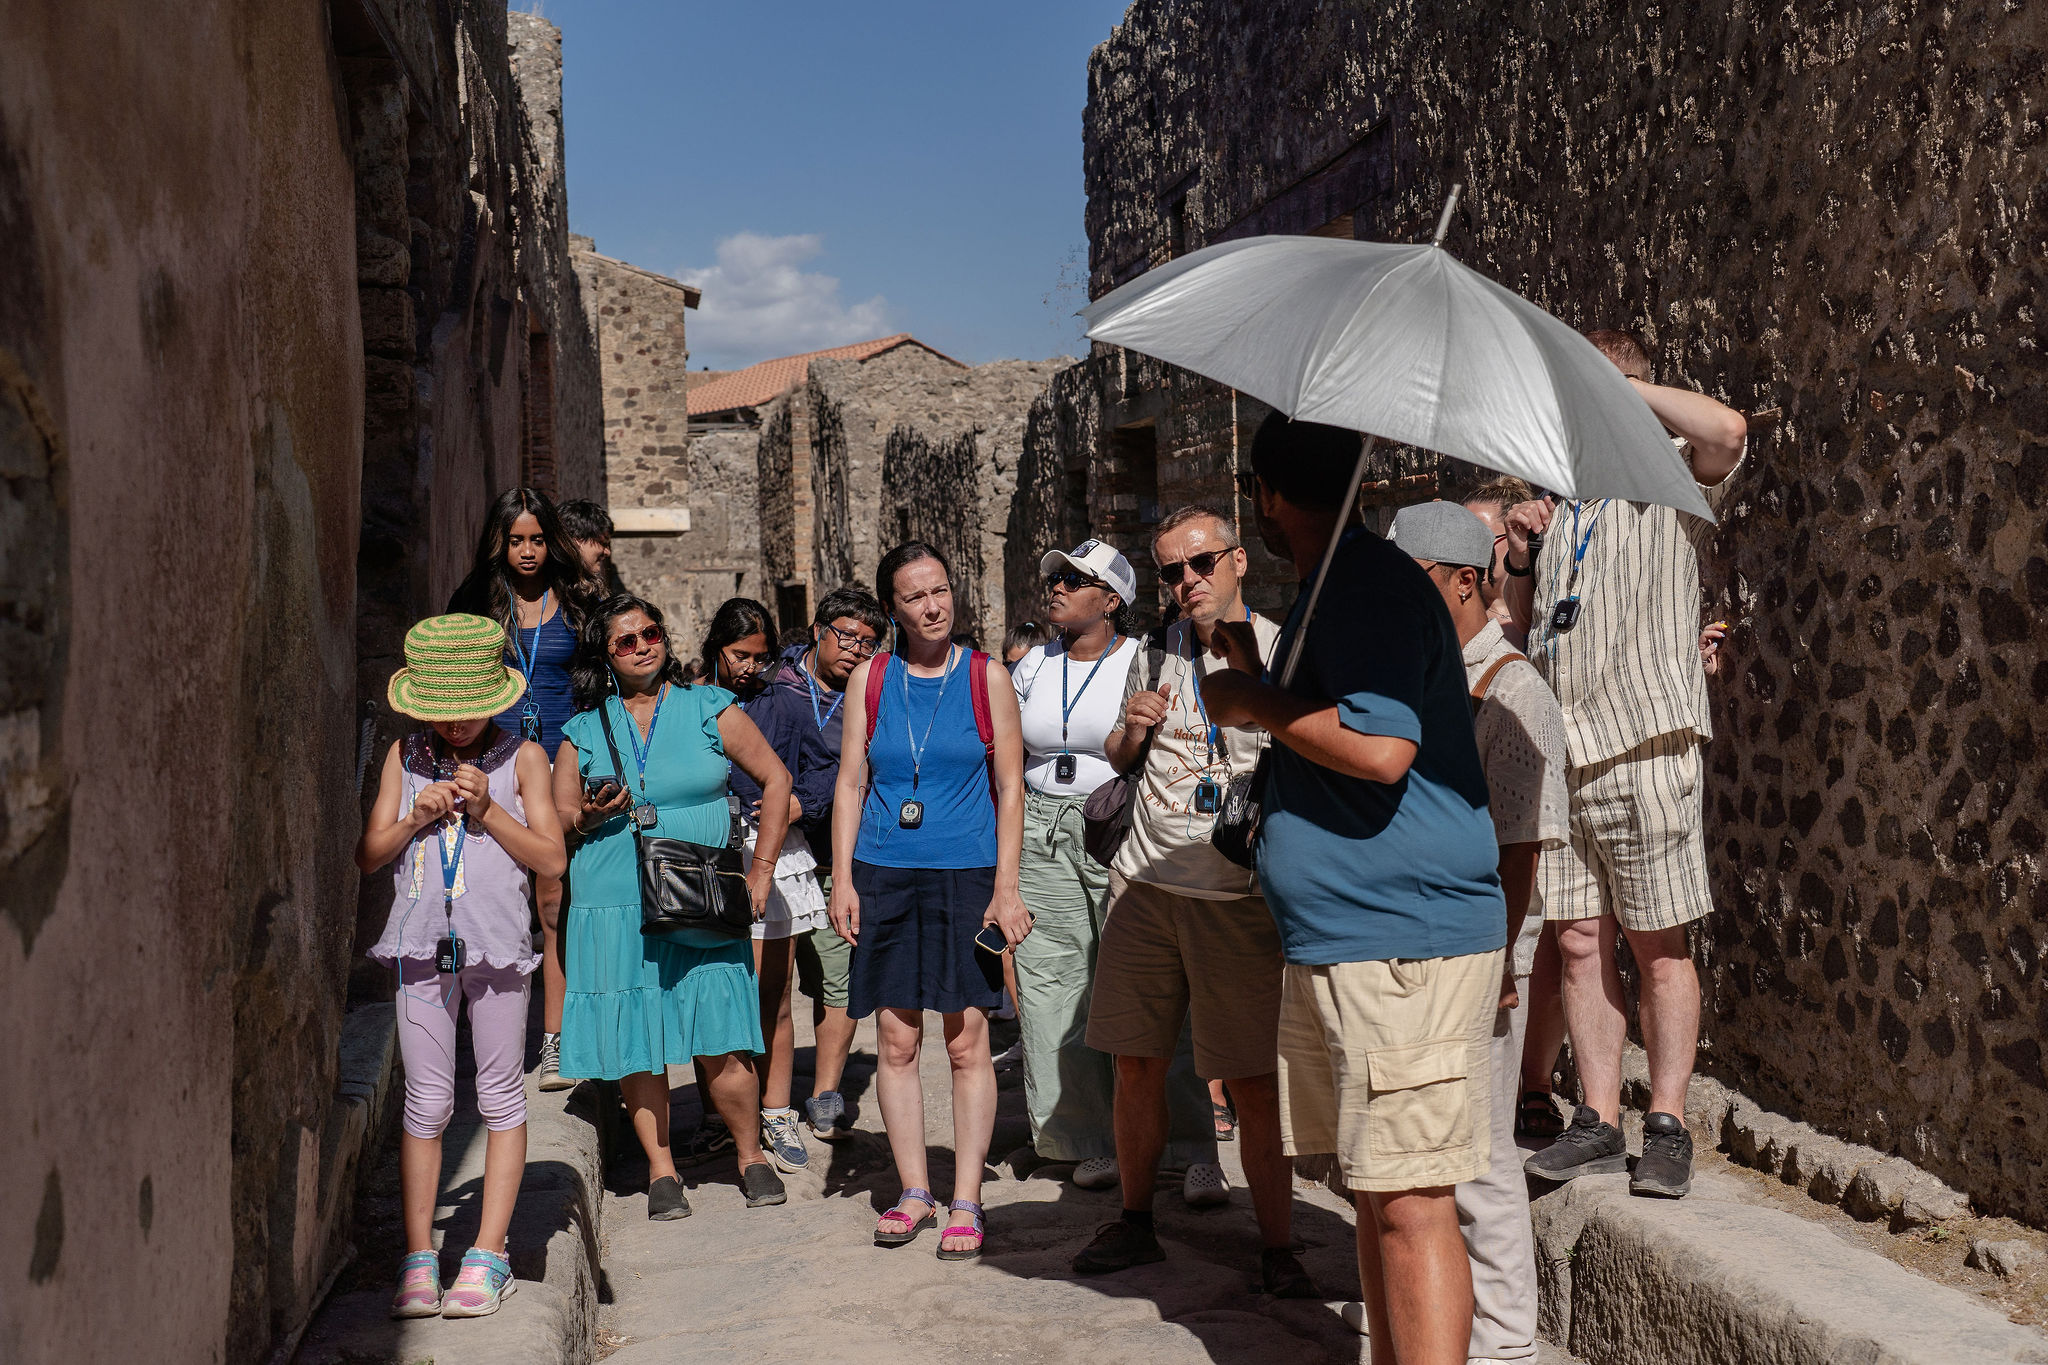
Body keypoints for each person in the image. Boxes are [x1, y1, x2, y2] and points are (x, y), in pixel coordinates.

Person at [1200, 413, 1506, 1365]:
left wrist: (1251, 702)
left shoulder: (1364, 586)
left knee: (1412, 1203)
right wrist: (1261, 674)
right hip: (1354, 939)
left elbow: (1380, 748)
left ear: (1267, 497)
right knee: (1380, 1191)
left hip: (1399, 941)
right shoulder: (1334, 590)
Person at [1503, 329, 1746, 1200]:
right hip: (1563, 749)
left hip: (1645, 737)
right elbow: (1524, 622)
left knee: (1659, 943)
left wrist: (1622, 396)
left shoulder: (1670, 466)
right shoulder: (1558, 496)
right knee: (1575, 941)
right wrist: (1524, 554)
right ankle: (1599, 1117)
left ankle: (1670, 1120)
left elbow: (1730, 430)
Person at [1073, 504, 1303, 1285]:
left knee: (1251, 1080)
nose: (1186, 583)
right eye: (1171, 570)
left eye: (1201, 563)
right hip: (1144, 884)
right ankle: (1137, 1219)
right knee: (1135, 1063)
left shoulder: (1281, 649)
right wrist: (1132, 731)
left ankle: (1279, 1246)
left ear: (1238, 560)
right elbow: (1115, 751)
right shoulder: (1154, 652)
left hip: (1235, 895)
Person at [1390, 500, 1569, 1363]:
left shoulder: (1515, 690)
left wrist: (1497, 961)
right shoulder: (1419, 678)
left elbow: (1520, 851)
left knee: (1486, 1166)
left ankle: (1506, 1346)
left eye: (1409, 579)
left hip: (1479, 958)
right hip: (1420, 950)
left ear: (1465, 581)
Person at [552, 594, 795, 1219]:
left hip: (698, 888)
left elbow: (776, 780)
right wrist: (587, 813)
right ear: (606, 657)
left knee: (722, 1032)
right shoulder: (583, 729)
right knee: (637, 1035)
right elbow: (559, 822)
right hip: (613, 896)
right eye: (625, 641)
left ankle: (750, 1155)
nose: (642, 647)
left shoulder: (710, 706)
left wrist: (761, 870)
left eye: (650, 633)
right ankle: (663, 1171)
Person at [357, 614, 567, 1319]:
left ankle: (489, 1252)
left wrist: (487, 812)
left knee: (501, 1096)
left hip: (499, 946)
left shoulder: (523, 758)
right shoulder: (404, 755)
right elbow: (370, 853)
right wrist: (416, 817)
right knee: (428, 1101)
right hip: (420, 944)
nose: (452, 723)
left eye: (467, 708)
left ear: (496, 696)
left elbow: (551, 857)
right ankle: (419, 1258)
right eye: (439, 710)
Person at [830, 541, 1029, 1261]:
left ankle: (967, 1197)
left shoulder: (986, 676)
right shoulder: (872, 680)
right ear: (893, 608)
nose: (933, 605)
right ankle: (914, 1189)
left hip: (966, 873)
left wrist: (1006, 887)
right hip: (885, 870)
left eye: (940, 589)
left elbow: (1012, 787)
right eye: (915, 596)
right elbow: (850, 782)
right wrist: (843, 878)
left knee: (967, 1038)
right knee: (895, 1036)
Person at [447, 488, 602, 1093]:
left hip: (564, 761)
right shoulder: (478, 601)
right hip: (495, 760)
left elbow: (603, 676)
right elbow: (452, 677)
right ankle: (491, 1038)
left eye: (538, 539)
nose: (529, 551)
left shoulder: (580, 601)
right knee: (489, 898)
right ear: (500, 543)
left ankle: (556, 1039)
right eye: (517, 541)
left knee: (553, 902)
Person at [1008, 541, 1147, 1187]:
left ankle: (1179, 1144)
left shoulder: (1141, 661)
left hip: (1118, 825)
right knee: (1053, 986)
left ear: (1112, 599)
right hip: (1044, 827)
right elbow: (1005, 764)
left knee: (1146, 984)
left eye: (1074, 579)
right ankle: (1082, 1138)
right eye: (1054, 577)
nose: (1055, 586)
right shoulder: (1033, 664)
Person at [699, 596, 831, 1175]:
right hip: (709, 854)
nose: (750, 667)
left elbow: (823, 775)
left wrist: (788, 808)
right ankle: (724, 1115)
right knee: (717, 989)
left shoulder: (788, 704)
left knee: (772, 992)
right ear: (716, 649)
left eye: (762, 656)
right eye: (740, 655)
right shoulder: (693, 702)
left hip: (775, 852)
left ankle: (775, 1109)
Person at [1462, 476, 1567, 1141]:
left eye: (1484, 542)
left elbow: (1519, 850)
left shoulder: (1509, 648)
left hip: (1532, 787)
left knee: (1548, 940)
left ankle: (1536, 1079)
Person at [774, 587, 889, 1141]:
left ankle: (825, 1090)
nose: (854, 650)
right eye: (846, 636)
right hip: (768, 855)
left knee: (835, 980)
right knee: (769, 982)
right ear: (819, 630)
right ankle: (766, 1098)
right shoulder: (776, 685)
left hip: (831, 857)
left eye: (868, 644)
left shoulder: (872, 697)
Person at [556, 498, 626, 596]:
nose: (607, 552)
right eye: (603, 543)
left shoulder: (590, 594)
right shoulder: (544, 592)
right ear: (576, 539)